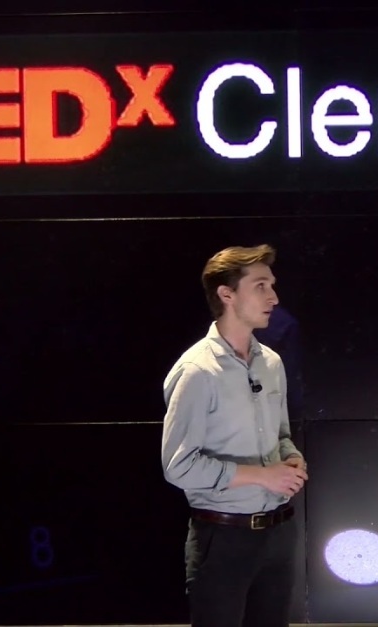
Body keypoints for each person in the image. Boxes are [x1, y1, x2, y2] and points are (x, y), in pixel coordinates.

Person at [161, 244, 308, 627]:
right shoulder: (197, 371)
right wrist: (262, 476)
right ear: (227, 294)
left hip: (279, 532)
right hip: (224, 536)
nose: (274, 297)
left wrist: (291, 458)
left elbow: (281, 435)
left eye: (272, 285)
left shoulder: (271, 362)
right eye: (261, 286)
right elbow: (179, 467)